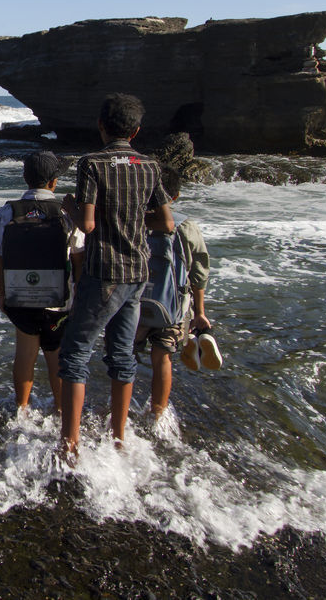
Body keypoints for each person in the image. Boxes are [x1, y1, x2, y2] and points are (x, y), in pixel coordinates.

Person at [58, 94, 173, 455]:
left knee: (75, 355)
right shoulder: (149, 165)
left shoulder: (91, 163)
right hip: (138, 272)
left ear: (101, 126)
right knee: (122, 355)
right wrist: (136, 220)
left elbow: (88, 224)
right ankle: (119, 437)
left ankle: (70, 445)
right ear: (136, 130)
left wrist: (70, 207)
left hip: (103, 272)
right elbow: (166, 222)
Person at [0, 151, 85, 414]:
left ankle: (22, 410)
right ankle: (62, 413)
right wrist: (79, 297)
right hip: (58, 301)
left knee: (25, 353)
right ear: (54, 181)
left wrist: (2, 295)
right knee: (56, 355)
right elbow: (78, 259)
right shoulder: (65, 213)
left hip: (19, 297)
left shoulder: (9, 210)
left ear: (25, 178)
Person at [135, 166, 215, 419]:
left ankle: (119, 411)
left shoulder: (135, 222)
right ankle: (158, 413)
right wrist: (200, 313)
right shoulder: (186, 226)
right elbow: (199, 274)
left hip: (133, 303)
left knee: (122, 356)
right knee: (162, 358)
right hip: (173, 306)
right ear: (176, 196)